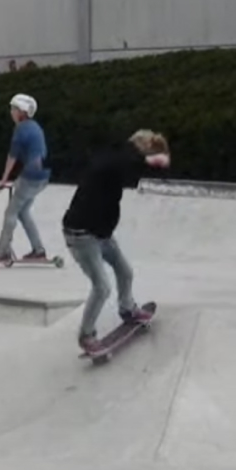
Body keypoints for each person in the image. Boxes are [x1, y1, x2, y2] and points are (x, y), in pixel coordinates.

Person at [61, 129, 171, 352]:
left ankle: (127, 309)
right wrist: (149, 159)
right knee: (102, 287)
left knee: (125, 271)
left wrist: (149, 161)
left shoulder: (119, 160)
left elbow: (128, 168)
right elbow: (120, 165)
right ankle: (86, 336)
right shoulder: (115, 160)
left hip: (101, 234)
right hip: (81, 234)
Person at [0, 93, 51, 264]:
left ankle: (1, 252)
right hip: (44, 175)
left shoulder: (21, 128)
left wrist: (4, 179)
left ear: (22, 112)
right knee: (23, 211)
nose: (11, 112)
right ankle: (38, 250)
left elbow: (12, 156)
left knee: (10, 212)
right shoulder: (35, 126)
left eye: (13, 109)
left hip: (31, 176)